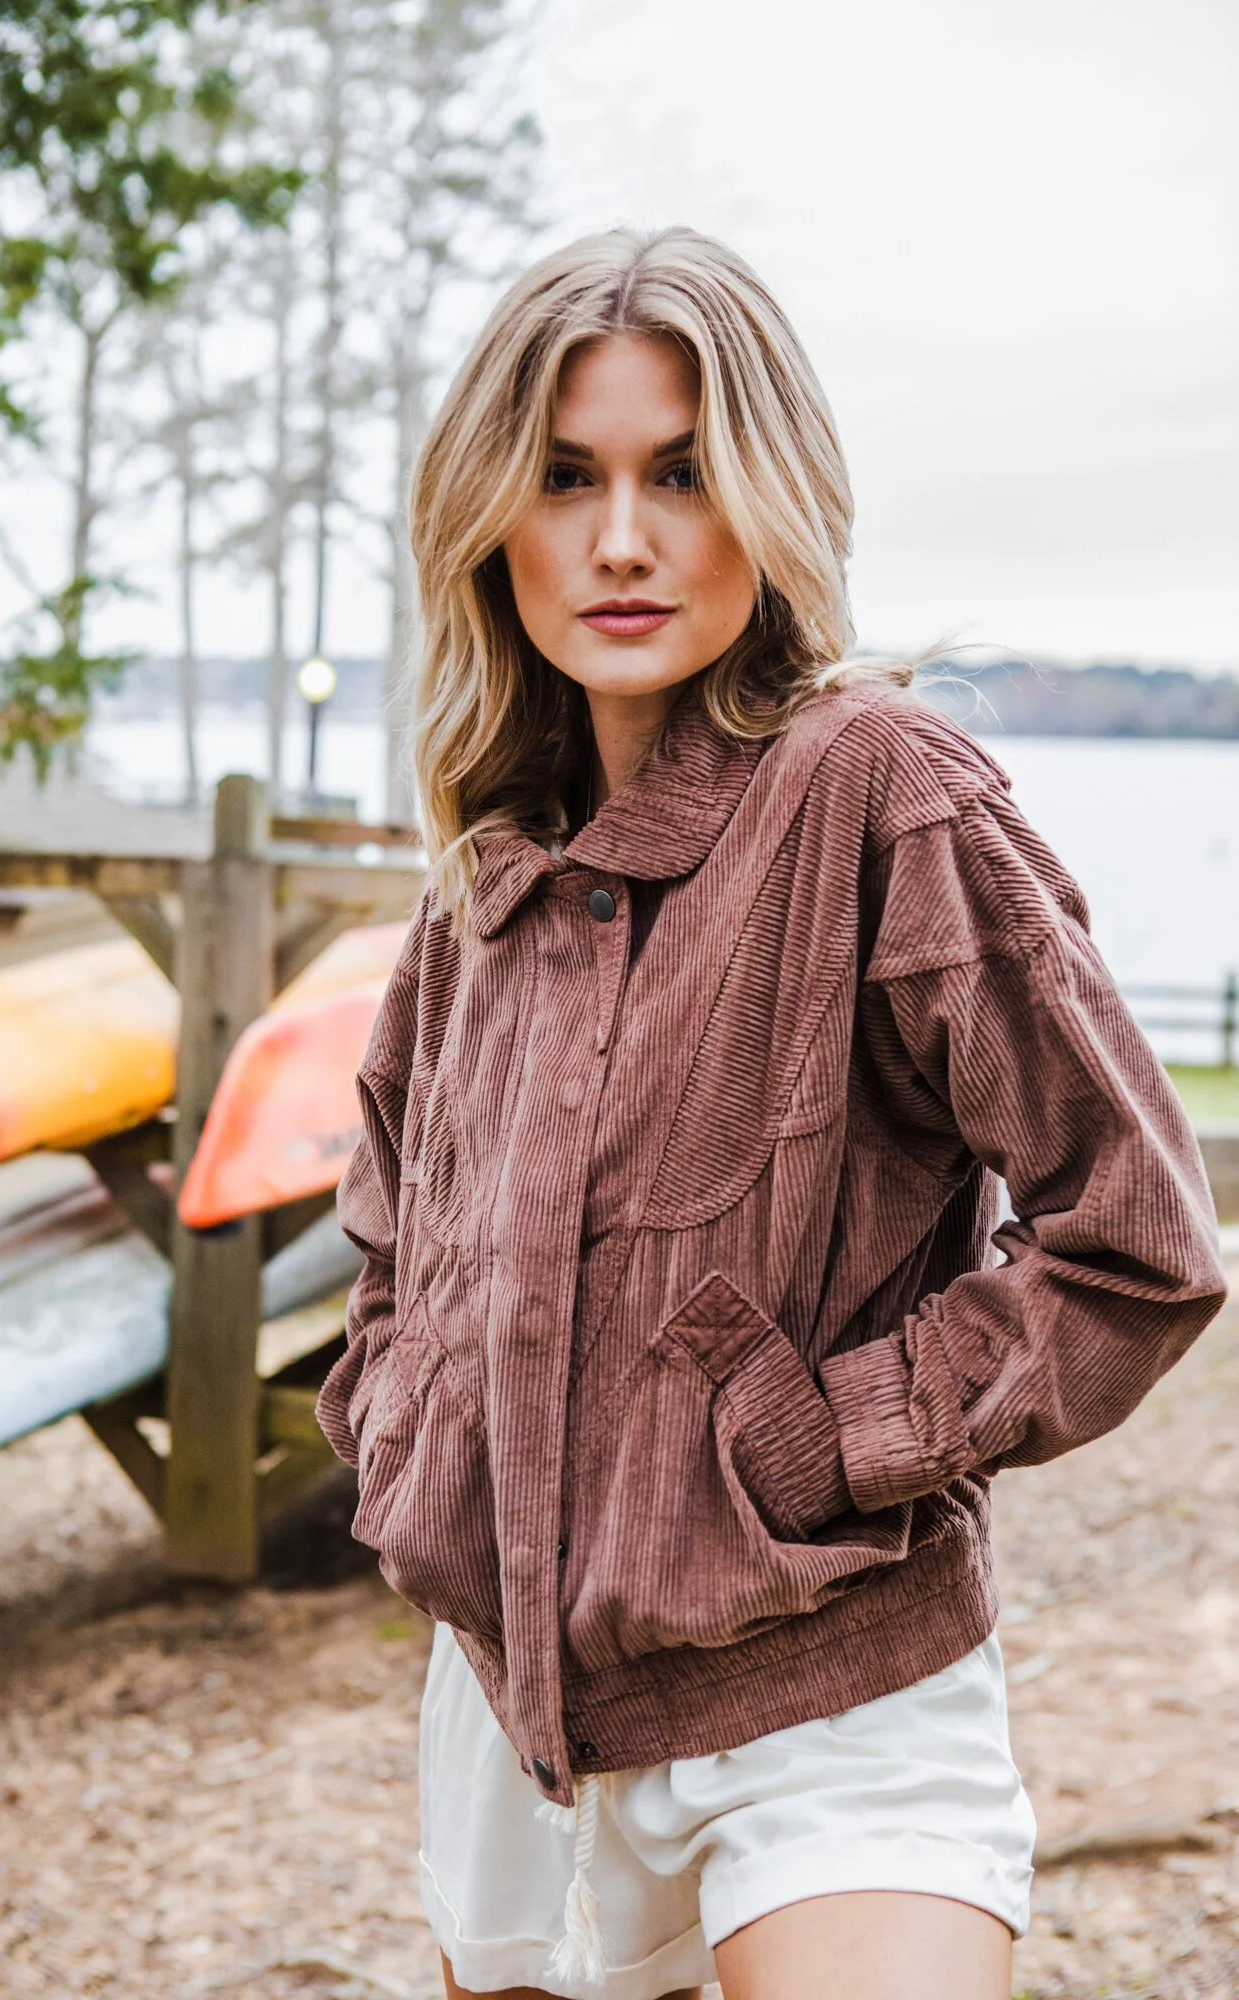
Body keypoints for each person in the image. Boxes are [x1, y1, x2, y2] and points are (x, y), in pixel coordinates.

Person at [314, 227, 1226, 2000]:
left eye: (683, 474)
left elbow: (1139, 1243)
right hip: (509, 1727)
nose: (624, 538)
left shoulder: (878, 795)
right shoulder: (476, 887)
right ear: (490, 512)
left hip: (836, 1691)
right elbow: (388, 1256)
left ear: (774, 498)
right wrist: (417, 1447)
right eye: (567, 477)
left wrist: (827, 1442)